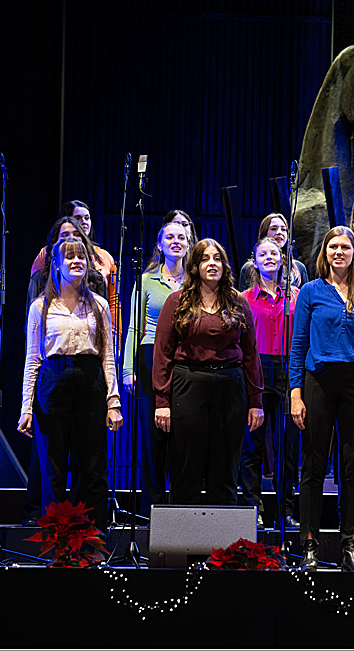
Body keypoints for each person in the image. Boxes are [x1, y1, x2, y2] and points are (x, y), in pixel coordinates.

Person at [290, 226, 354, 572]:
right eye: (333, 246)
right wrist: (295, 392)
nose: (339, 252)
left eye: (345, 247)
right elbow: (298, 344)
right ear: (325, 252)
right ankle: (310, 544)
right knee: (314, 465)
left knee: (353, 466)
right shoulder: (310, 292)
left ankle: (349, 545)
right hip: (318, 381)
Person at [18, 239, 123, 529]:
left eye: (81, 257)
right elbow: (32, 359)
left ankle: (92, 539)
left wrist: (113, 404)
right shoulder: (40, 307)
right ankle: (56, 539)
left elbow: (107, 356)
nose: (76, 261)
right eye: (69, 257)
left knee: (91, 466)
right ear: (56, 264)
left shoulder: (99, 305)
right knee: (52, 467)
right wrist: (26, 407)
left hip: (89, 379)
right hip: (53, 379)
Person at [152, 239, 264, 507]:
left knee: (225, 467)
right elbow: (163, 353)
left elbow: (250, 354)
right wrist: (162, 402)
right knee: (186, 466)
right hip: (189, 384)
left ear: (225, 266)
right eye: (205, 259)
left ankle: (223, 546)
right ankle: (183, 543)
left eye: (217, 259)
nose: (211, 264)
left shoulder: (238, 302)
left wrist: (256, 402)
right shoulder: (176, 301)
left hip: (230, 386)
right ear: (195, 266)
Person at [121, 221, 190, 512]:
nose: (176, 241)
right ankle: (153, 507)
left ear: (189, 244)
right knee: (153, 436)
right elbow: (135, 327)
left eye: (181, 237)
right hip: (151, 356)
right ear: (159, 245)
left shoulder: (195, 281)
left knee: (183, 436)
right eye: (170, 237)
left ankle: (179, 507)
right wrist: (127, 369)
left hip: (187, 359)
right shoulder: (148, 280)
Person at [241, 237, 300, 529]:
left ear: (282, 259)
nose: (269, 258)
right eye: (263, 254)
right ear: (254, 261)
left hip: (288, 369)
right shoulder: (244, 298)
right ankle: (254, 508)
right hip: (256, 369)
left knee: (287, 445)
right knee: (252, 443)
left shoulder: (297, 297)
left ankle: (285, 509)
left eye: (274, 253)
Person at [30, 200, 120, 332]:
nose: (83, 222)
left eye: (87, 218)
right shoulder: (46, 254)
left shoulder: (103, 258)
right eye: (78, 218)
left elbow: (112, 302)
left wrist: (114, 335)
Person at [237, 213, 309, 291]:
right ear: (264, 233)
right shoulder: (248, 268)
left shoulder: (299, 268)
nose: (279, 232)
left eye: (283, 229)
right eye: (273, 229)